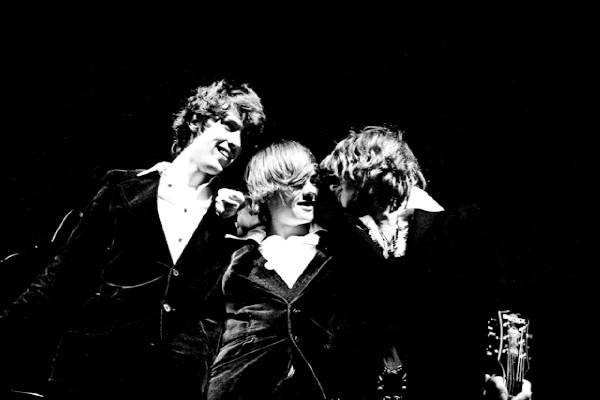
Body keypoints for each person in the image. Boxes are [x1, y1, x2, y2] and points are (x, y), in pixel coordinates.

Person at [0, 79, 265, 399]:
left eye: (243, 136)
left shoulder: (231, 217)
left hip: (173, 385)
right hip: (93, 372)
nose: (236, 142)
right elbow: (65, 275)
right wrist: (2, 332)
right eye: (229, 125)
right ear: (197, 120)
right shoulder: (123, 188)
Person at [318, 125, 532, 400]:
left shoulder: (455, 230)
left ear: (367, 171)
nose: (333, 187)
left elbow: (494, 307)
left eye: (339, 177)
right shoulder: (340, 239)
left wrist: (502, 374)